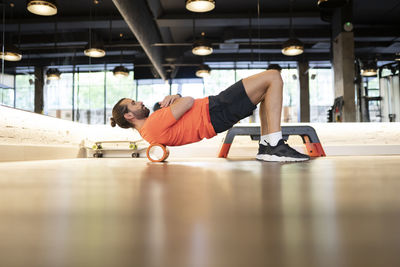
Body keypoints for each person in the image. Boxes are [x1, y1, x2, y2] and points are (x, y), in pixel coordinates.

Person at [110, 70, 310, 162]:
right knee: (272, 76)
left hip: (215, 113)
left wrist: (175, 100)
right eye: (134, 104)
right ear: (129, 116)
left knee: (268, 88)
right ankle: (274, 146)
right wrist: (177, 97)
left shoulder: (150, 131)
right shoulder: (152, 124)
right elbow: (188, 101)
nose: (140, 103)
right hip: (214, 110)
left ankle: (268, 146)